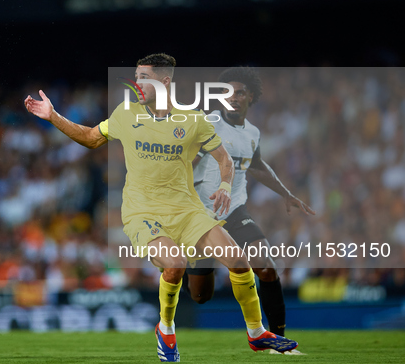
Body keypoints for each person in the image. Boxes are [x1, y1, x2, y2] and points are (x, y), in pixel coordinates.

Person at [24, 54, 298, 362]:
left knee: (237, 258)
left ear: (164, 81)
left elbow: (223, 158)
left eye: (144, 77)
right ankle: (166, 329)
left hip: (186, 209)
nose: (137, 83)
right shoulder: (126, 114)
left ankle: (256, 332)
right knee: (176, 263)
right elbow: (89, 137)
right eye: (137, 76)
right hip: (143, 212)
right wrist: (53, 116)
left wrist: (224, 185)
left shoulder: (192, 120)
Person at [186, 66, 315, 355]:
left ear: (250, 97)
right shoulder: (206, 124)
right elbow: (186, 159)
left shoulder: (253, 133)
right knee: (200, 295)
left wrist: (287, 193)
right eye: (227, 92)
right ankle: (185, 268)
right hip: (200, 216)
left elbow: (256, 165)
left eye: (240, 92)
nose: (233, 97)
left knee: (266, 267)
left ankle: (278, 342)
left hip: (233, 210)